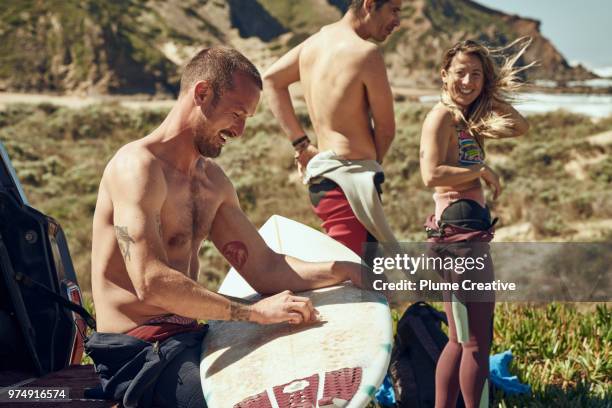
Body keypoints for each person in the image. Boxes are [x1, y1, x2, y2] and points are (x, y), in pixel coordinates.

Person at [87, 47, 363, 408]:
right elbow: (150, 281)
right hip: (138, 351)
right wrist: (253, 313)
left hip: (188, 338)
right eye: (236, 114)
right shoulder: (137, 168)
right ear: (201, 94)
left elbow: (265, 267)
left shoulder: (211, 183)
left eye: (246, 118)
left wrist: (342, 269)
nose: (241, 130)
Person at [419, 38, 532, 408]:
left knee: (459, 339)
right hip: (459, 235)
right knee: (476, 343)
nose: (467, 81)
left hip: (460, 233)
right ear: (443, 74)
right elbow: (430, 173)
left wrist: (489, 94)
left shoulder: (469, 118)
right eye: (460, 73)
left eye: (476, 75)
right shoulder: (440, 116)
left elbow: (520, 126)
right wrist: (479, 169)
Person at [263, 0, 402, 261]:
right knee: (356, 279)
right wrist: (372, 161)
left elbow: (272, 81)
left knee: (358, 275)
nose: (398, 20)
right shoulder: (365, 54)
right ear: (369, 4)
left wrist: (301, 144)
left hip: (325, 182)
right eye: (393, 10)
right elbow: (386, 129)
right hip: (350, 184)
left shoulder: (315, 43)